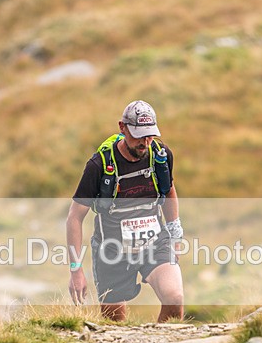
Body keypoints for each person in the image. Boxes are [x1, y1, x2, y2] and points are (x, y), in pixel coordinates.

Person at [66, 100, 184, 322]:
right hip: (111, 251)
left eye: (150, 135)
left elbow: (168, 191)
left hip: (154, 243)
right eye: (139, 135)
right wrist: (76, 269)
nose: (145, 142)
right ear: (122, 127)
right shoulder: (99, 165)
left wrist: (175, 235)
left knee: (174, 298)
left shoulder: (160, 155)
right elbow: (74, 217)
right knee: (114, 324)